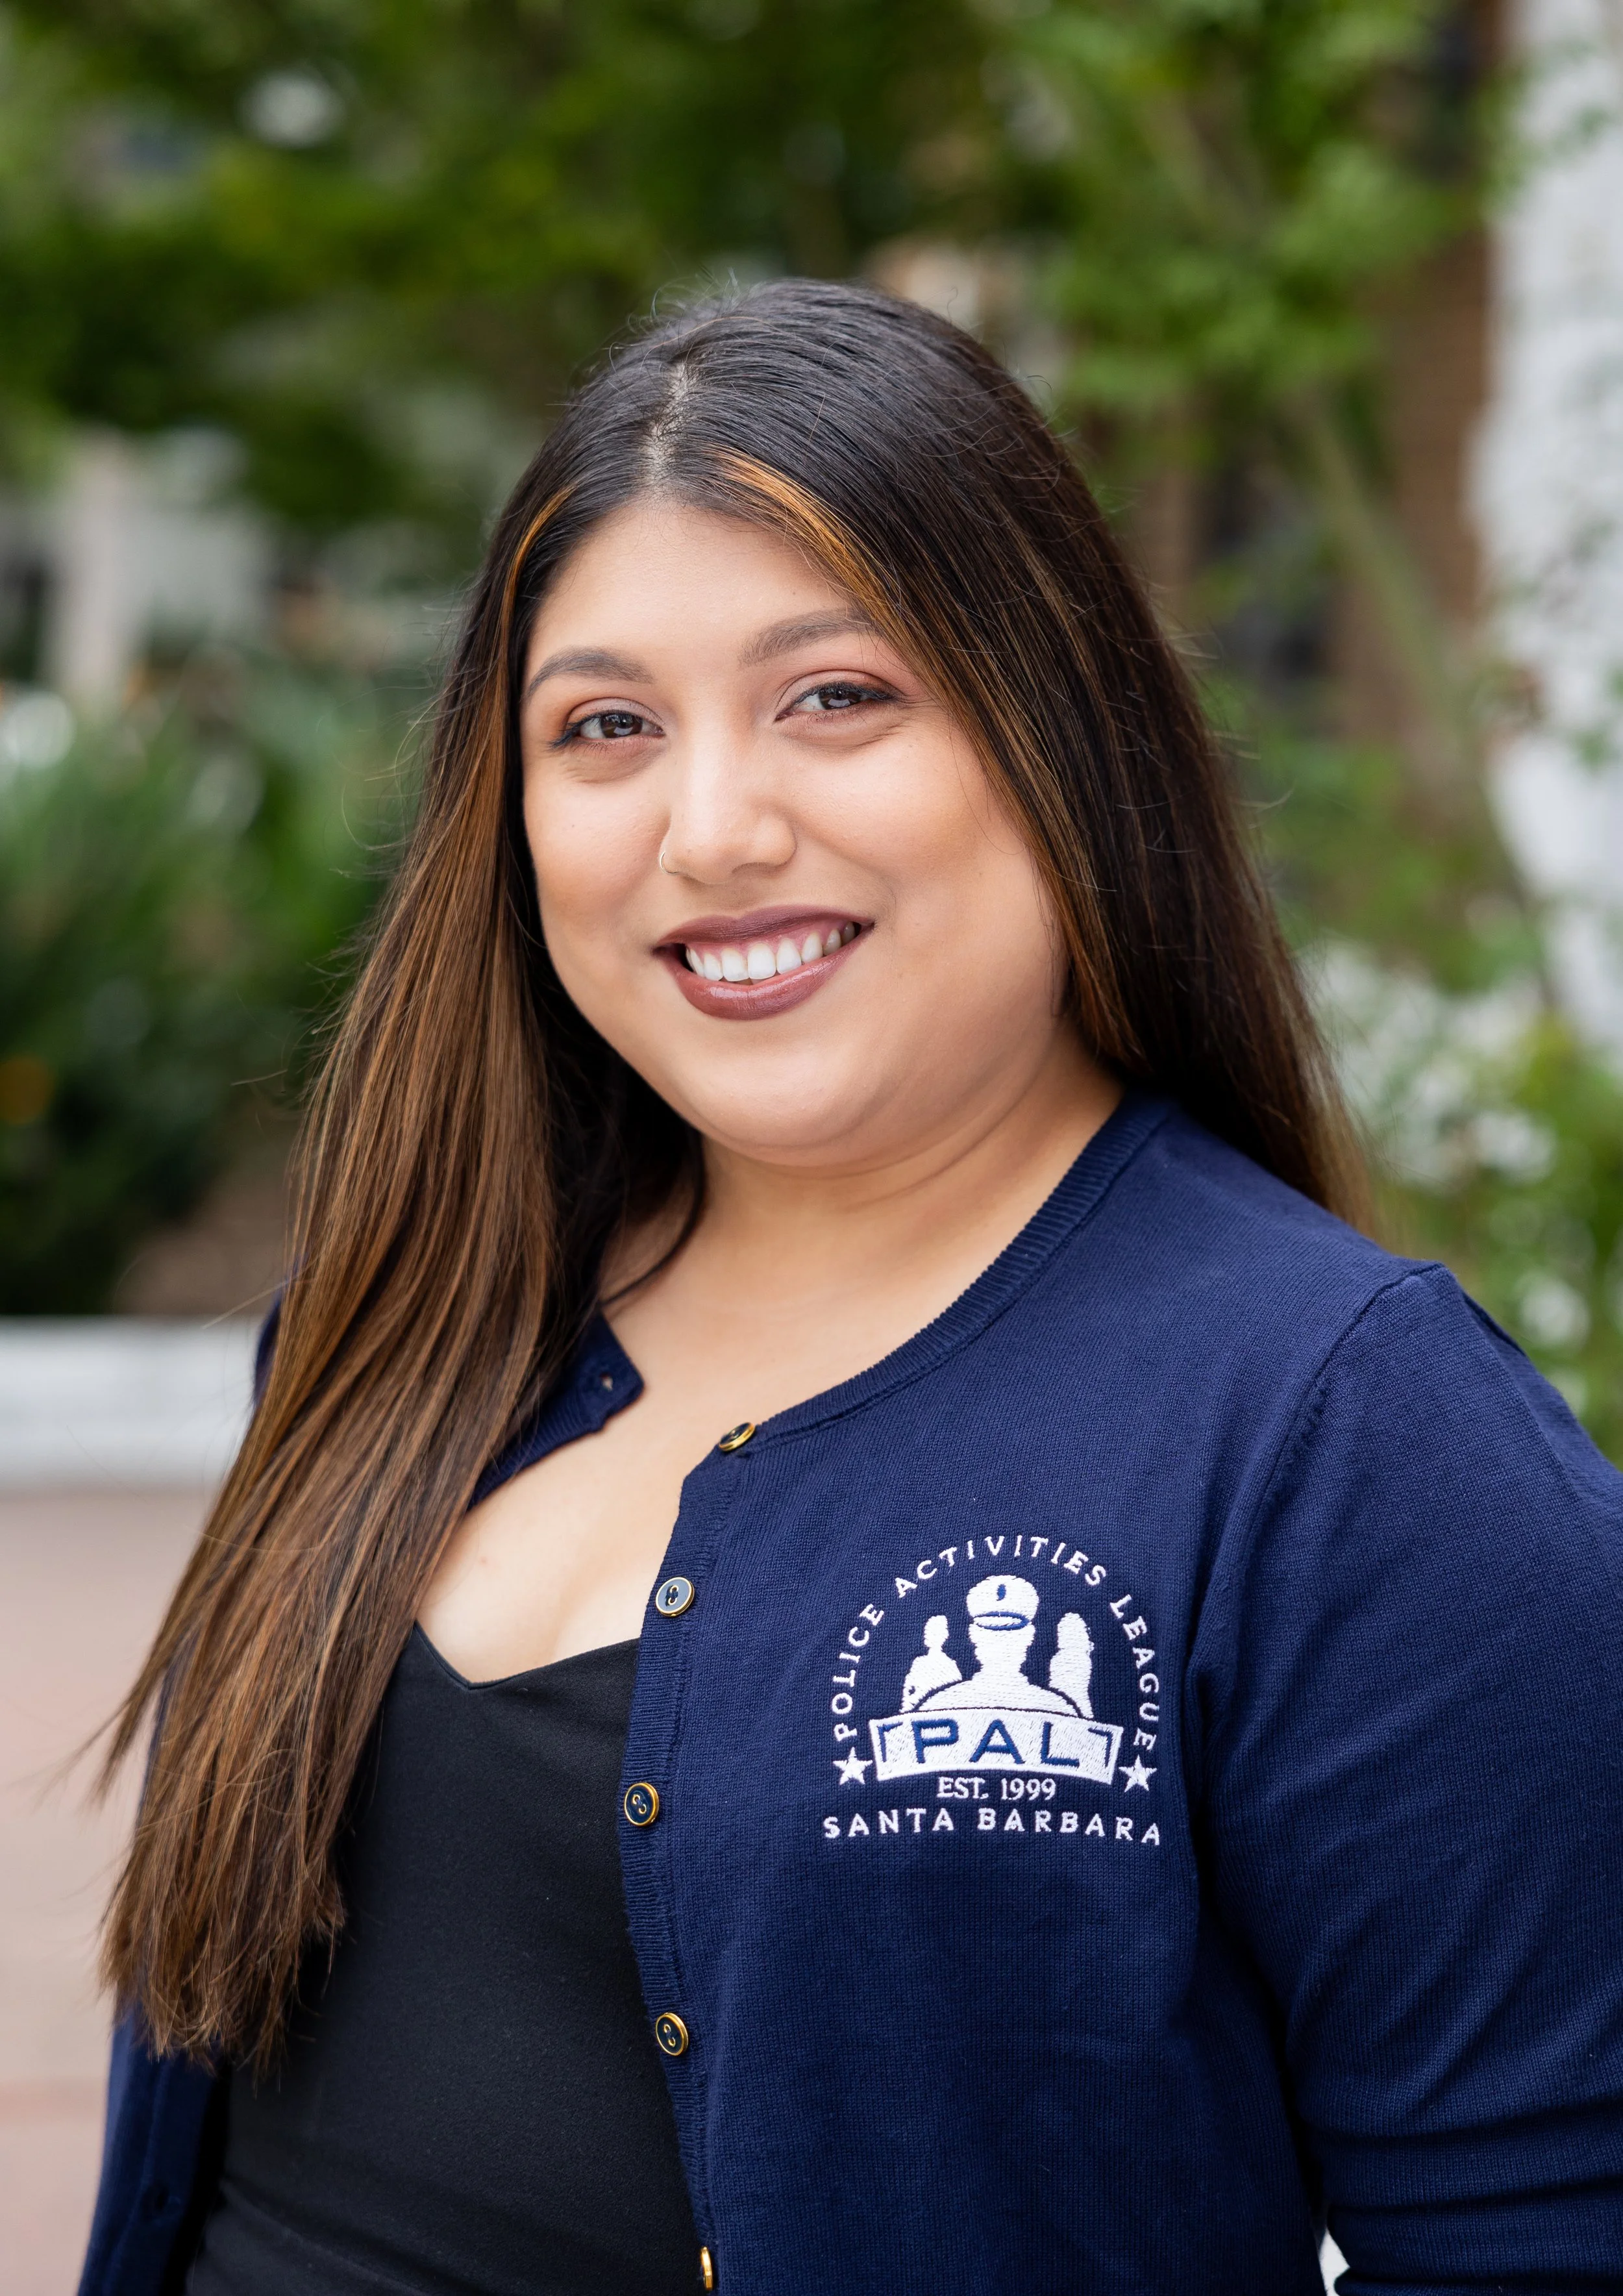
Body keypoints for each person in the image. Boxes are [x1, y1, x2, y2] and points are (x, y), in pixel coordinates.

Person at [79, 281, 1623, 2296]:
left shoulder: (1347, 1434)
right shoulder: (414, 1317)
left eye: (838, 697)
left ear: (1056, 728)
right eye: (605, 728)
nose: (714, 829)